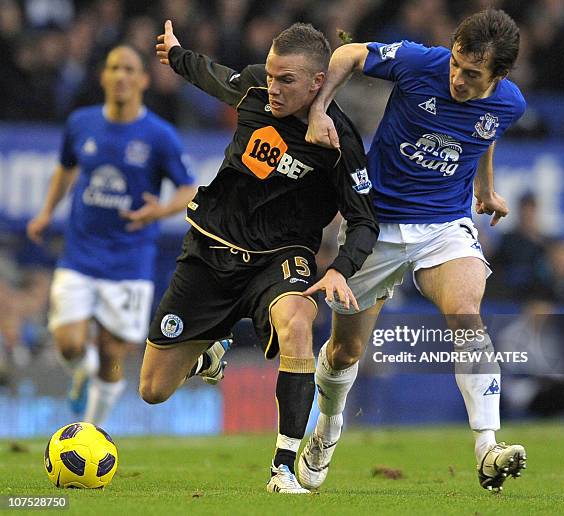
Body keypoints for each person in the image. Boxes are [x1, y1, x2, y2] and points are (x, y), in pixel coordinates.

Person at [139, 21, 378, 494]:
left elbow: (365, 219)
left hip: (280, 260)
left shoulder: (338, 142)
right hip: (211, 249)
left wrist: (339, 269)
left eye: (285, 80)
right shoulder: (255, 89)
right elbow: (215, 76)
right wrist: (177, 54)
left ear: (317, 83)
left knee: (297, 323)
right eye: (269, 75)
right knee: (152, 390)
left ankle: (284, 467)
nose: (272, 87)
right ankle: (210, 349)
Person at [298, 9, 528, 492]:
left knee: (467, 313)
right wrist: (319, 110)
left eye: (472, 75)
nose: (458, 79)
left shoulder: (511, 103)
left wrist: (485, 189)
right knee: (345, 351)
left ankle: (487, 447)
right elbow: (346, 53)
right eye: (457, 66)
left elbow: (483, 132)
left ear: (499, 76)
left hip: (445, 225)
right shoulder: (420, 62)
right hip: (375, 226)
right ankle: (326, 428)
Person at [27, 45, 197, 426]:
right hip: (80, 255)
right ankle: (81, 372)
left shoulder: (159, 135)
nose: (121, 75)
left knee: (112, 352)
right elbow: (65, 169)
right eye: (113, 67)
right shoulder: (81, 123)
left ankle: (90, 429)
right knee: (69, 344)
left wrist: (160, 210)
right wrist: (44, 213)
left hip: (130, 260)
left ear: (142, 80)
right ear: (104, 77)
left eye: (129, 69)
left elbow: (188, 189)